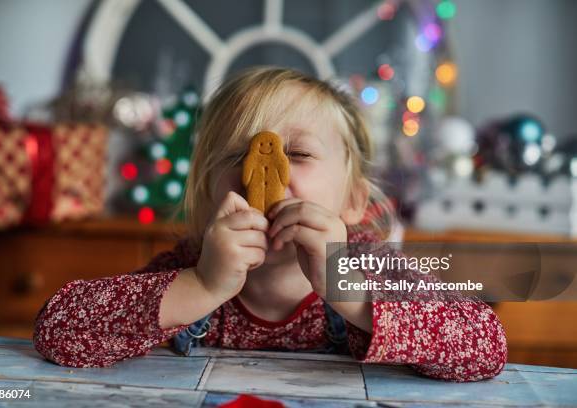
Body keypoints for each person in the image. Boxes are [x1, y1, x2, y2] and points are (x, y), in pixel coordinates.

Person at [33, 66, 507, 382]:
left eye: (297, 154)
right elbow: (57, 331)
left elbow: (486, 345)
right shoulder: (192, 265)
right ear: (206, 196)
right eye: (237, 156)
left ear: (353, 202)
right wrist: (199, 286)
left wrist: (352, 295)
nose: (260, 171)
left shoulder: (375, 269)